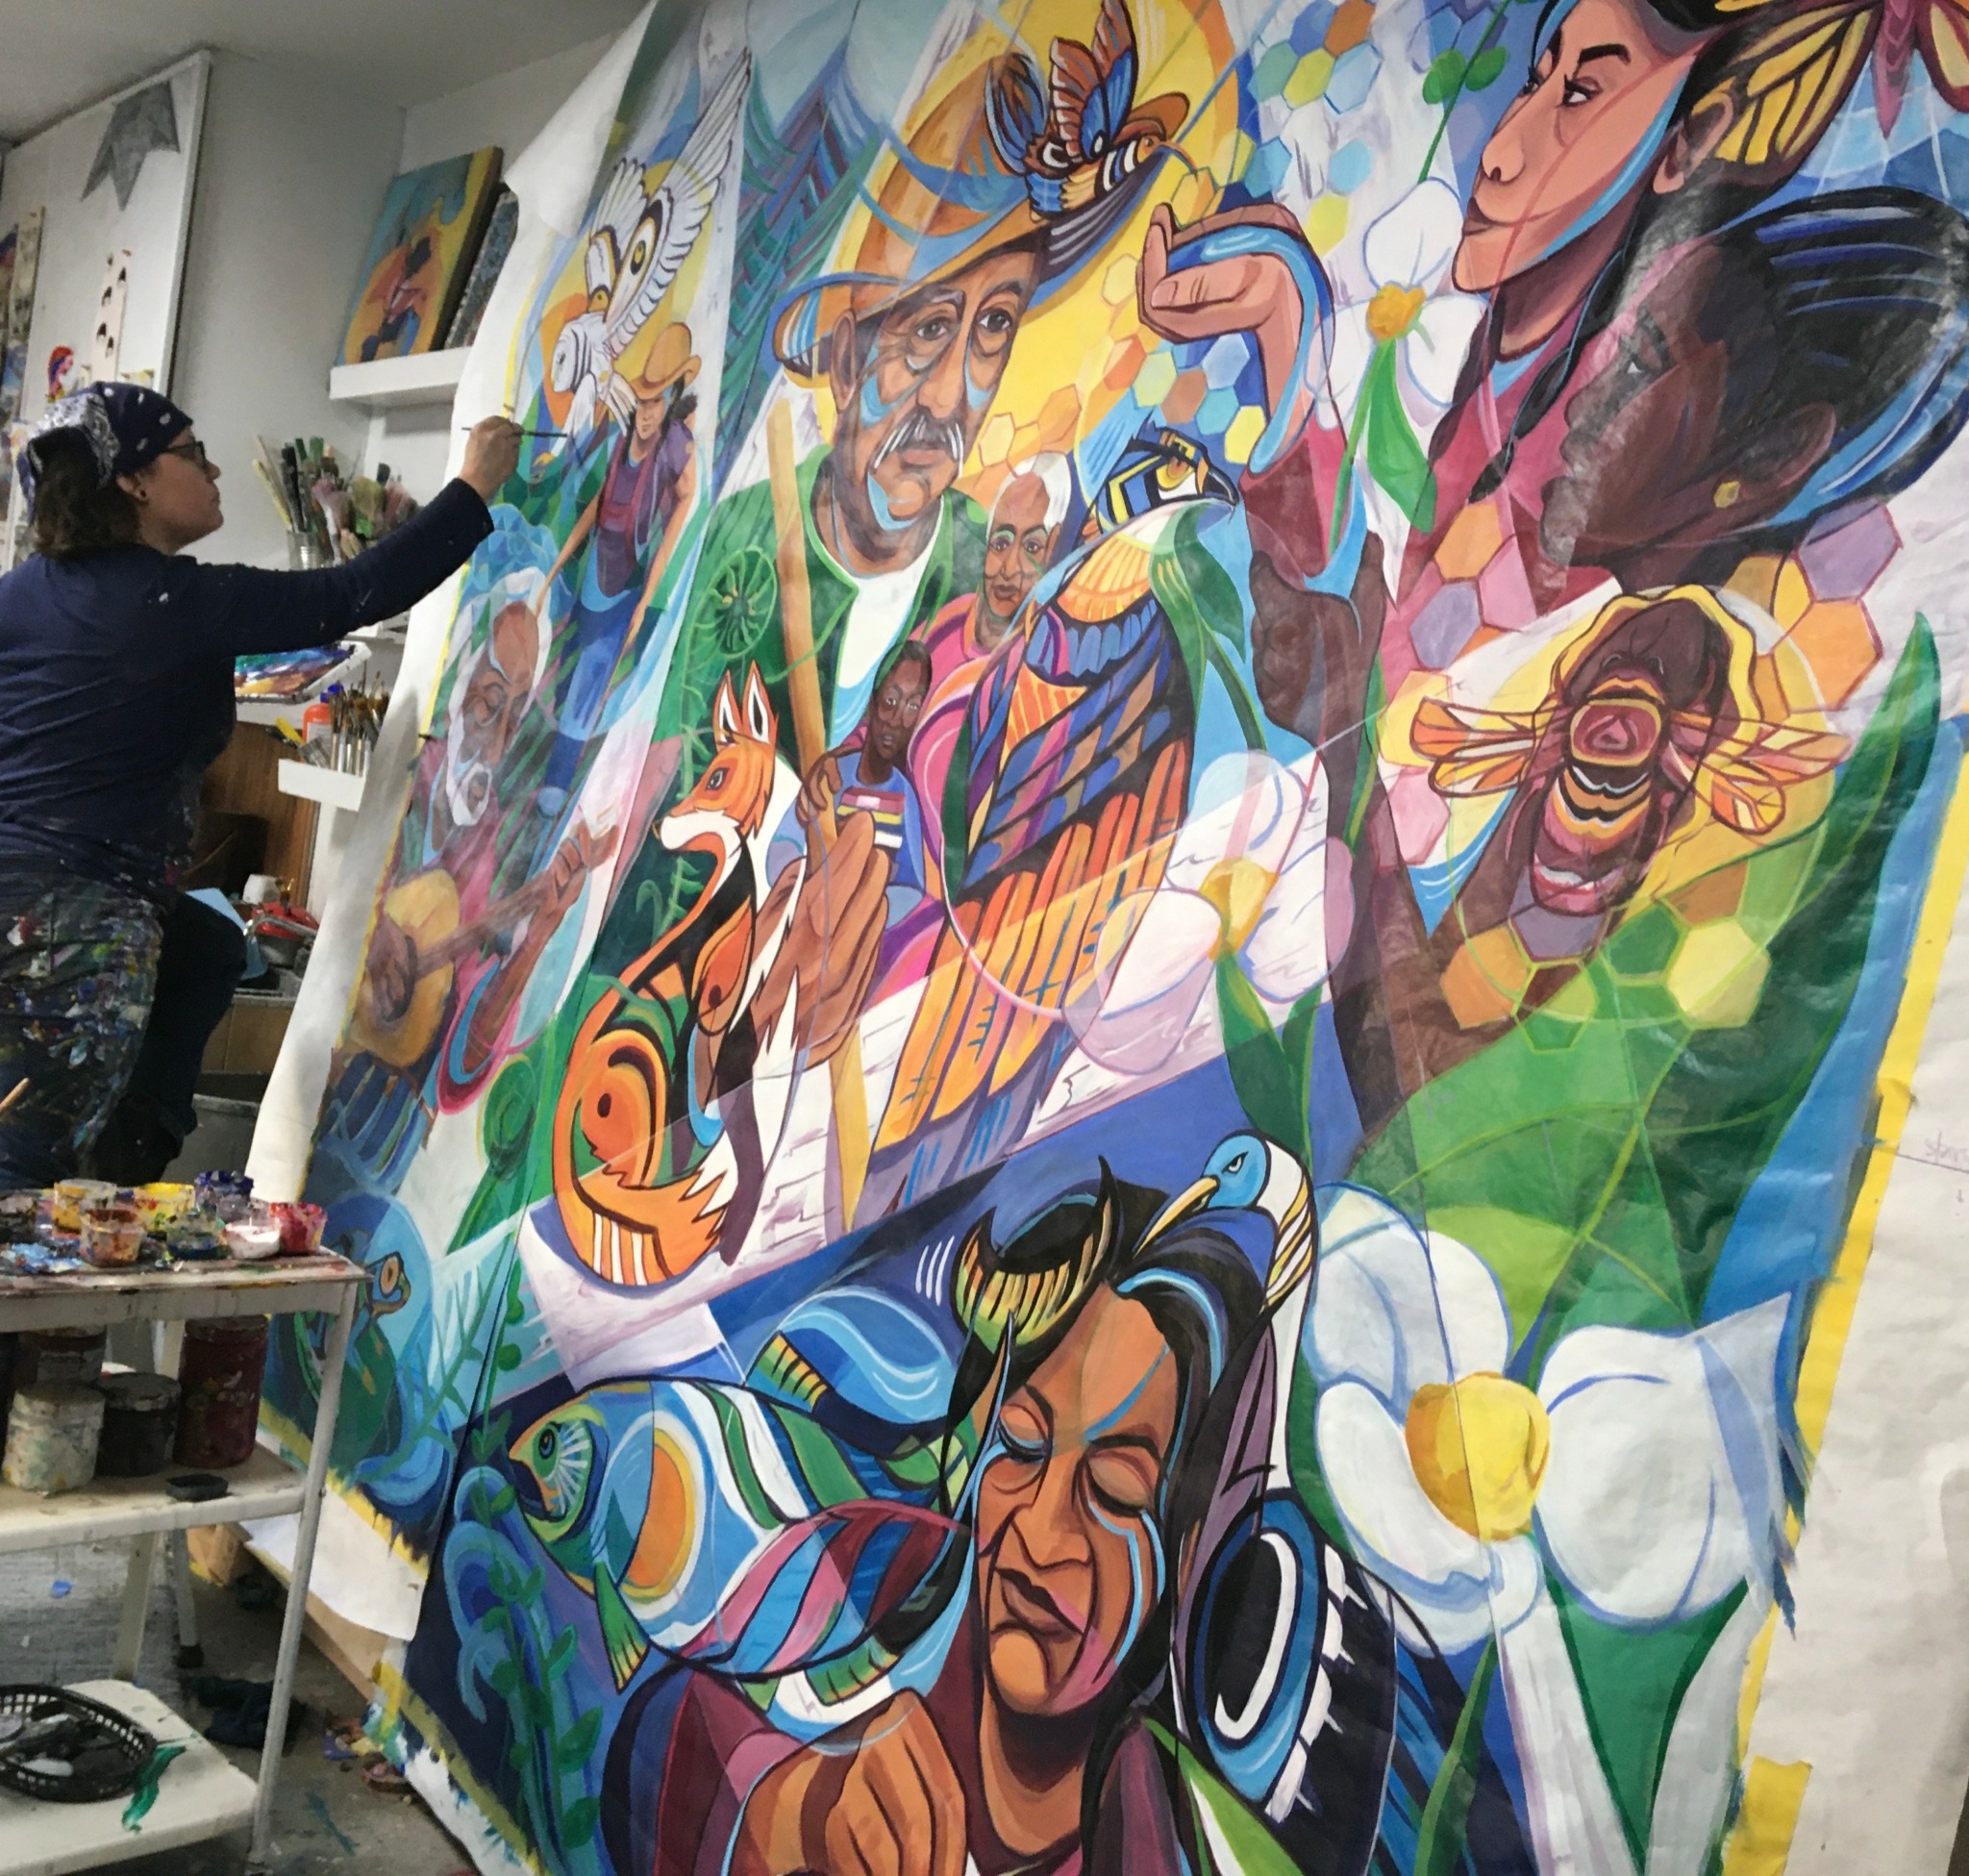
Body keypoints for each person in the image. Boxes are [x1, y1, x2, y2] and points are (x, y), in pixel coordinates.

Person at [0, 382, 520, 1187]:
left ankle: (123, 1166)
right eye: (191, 453)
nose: (212, 470)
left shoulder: (24, 592)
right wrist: (473, 487)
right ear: (133, 481)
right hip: (77, 922)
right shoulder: (173, 601)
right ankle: (88, 1187)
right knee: (24, 1162)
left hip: (34, 890)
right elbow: (352, 593)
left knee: (207, 947)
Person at [536, 322, 702, 809]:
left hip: (625, 586)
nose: (647, 412)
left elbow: (686, 496)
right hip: (590, 581)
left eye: (657, 401)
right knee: (568, 670)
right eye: (643, 400)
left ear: (672, 398)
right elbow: (599, 505)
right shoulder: (622, 440)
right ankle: (559, 752)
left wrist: (646, 599)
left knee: (592, 677)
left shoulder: (675, 445)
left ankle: (558, 779)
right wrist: (555, 570)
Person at [910, 457, 1072, 875]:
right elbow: (877, 725)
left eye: (1031, 548)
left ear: (1054, 549)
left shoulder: (1051, 664)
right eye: (1001, 543)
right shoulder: (945, 628)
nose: (1008, 568)